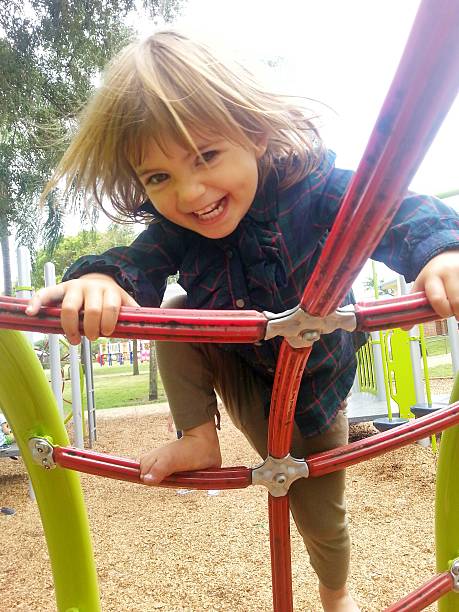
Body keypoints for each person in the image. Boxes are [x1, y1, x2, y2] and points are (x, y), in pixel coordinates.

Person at [25, 31, 459, 611]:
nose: (190, 192)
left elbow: (392, 207)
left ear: (253, 134)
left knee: (320, 520)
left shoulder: (313, 189)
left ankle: (336, 595)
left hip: (314, 390)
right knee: (175, 313)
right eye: (158, 177)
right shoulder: (181, 228)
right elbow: (138, 261)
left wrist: (441, 250)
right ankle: (198, 438)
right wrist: (101, 279)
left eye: (205, 156)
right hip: (240, 366)